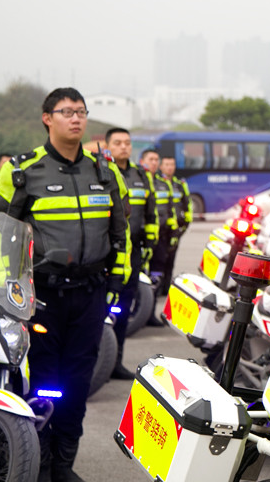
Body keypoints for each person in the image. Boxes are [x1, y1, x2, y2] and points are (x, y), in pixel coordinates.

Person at [0, 88, 128, 482]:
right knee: (45, 381)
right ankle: (41, 463)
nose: (76, 119)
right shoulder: (22, 170)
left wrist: (119, 277)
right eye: (66, 112)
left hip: (91, 294)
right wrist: (2, 291)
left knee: (78, 382)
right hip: (42, 296)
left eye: (81, 111)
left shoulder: (105, 171)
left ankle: (64, 464)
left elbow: (121, 230)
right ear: (47, 118)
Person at [105, 127, 158, 380]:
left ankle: (115, 362)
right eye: (118, 143)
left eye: (127, 143)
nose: (124, 147)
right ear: (108, 146)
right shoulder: (100, 171)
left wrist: (150, 239)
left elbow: (151, 211)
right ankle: (98, 362)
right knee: (102, 309)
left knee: (124, 309)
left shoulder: (141, 175)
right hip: (106, 251)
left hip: (133, 251)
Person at [142, 148, 176, 323]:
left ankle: (150, 315)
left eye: (156, 159)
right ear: (142, 161)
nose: (154, 162)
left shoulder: (164, 184)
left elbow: (171, 211)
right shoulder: (138, 181)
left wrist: (173, 234)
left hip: (161, 239)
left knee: (156, 277)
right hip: (142, 239)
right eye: (151, 159)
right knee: (141, 278)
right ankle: (138, 314)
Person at [160, 156, 192, 291]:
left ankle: (166, 287)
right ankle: (158, 287)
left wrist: (184, 226)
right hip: (161, 230)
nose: (170, 167)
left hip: (176, 231)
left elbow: (187, 206)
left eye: (172, 164)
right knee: (159, 260)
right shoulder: (156, 183)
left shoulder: (179, 185)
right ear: (161, 166)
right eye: (166, 164)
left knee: (170, 260)